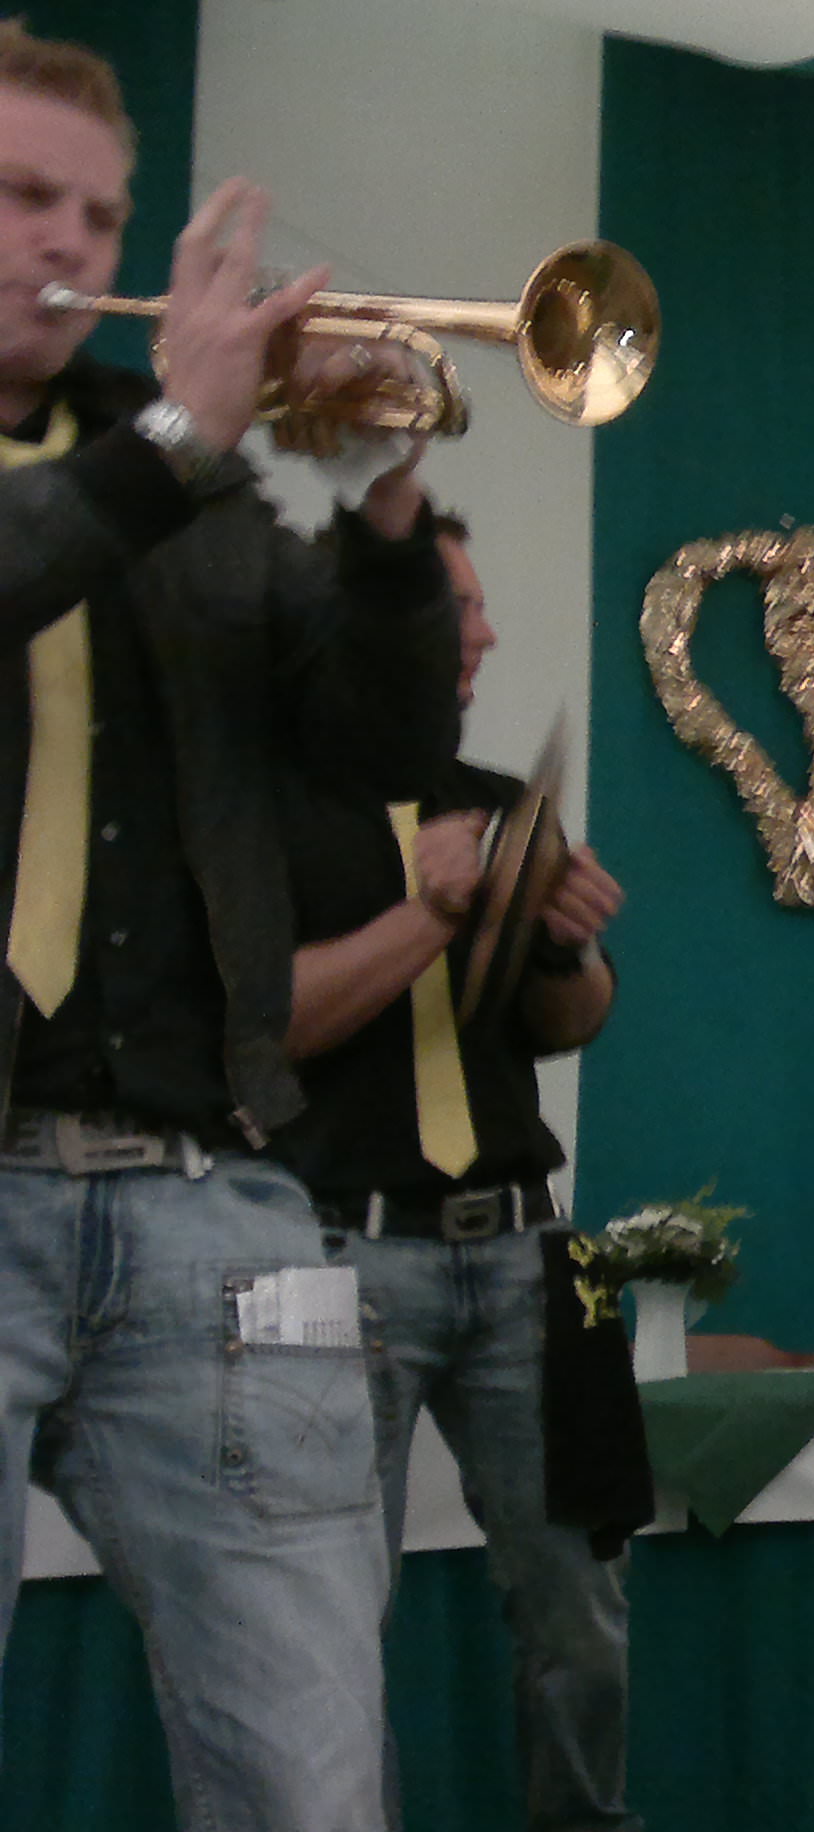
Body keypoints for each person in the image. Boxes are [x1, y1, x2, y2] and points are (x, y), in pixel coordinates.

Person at [0, 22, 459, 1828]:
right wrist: (186, 429)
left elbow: (380, 750)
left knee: (313, 1782)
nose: (69, 241)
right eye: (23, 196)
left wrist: (389, 497)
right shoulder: (168, 456)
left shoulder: (196, 484)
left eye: (99, 213)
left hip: (209, 1193)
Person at [276, 508, 638, 1831]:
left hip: (525, 1244)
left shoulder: (495, 800)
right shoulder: (265, 802)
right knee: (322, 1623)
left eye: (480, 607)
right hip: (324, 1251)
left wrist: (566, 946)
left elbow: (567, 1024)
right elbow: (269, 1026)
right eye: (459, 609)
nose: (485, 633)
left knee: (584, 1612)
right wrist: (427, 913)